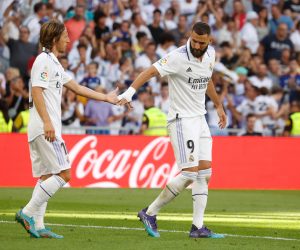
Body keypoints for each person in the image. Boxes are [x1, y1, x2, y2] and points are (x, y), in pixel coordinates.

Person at [118, 22, 227, 238]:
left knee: (204, 174)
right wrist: (129, 93)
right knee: (188, 174)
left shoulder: (210, 55)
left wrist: (218, 105)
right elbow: (149, 71)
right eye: (194, 40)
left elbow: (207, 80)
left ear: (209, 42)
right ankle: (150, 212)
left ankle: (197, 227)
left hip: (200, 120)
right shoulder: (177, 57)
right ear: (190, 35)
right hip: (181, 121)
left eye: (201, 42)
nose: (196, 44)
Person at [15, 20, 119, 239]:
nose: (69, 40)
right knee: (64, 174)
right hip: (45, 127)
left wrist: (107, 98)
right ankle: (27, 213)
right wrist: (47, 122)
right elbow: (36, 91)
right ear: (54, 39)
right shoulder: (43, 61)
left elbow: (78, 88)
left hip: (41, 127)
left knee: (46, 176)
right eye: (65, 37)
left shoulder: (54, 63)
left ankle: (39, 225)